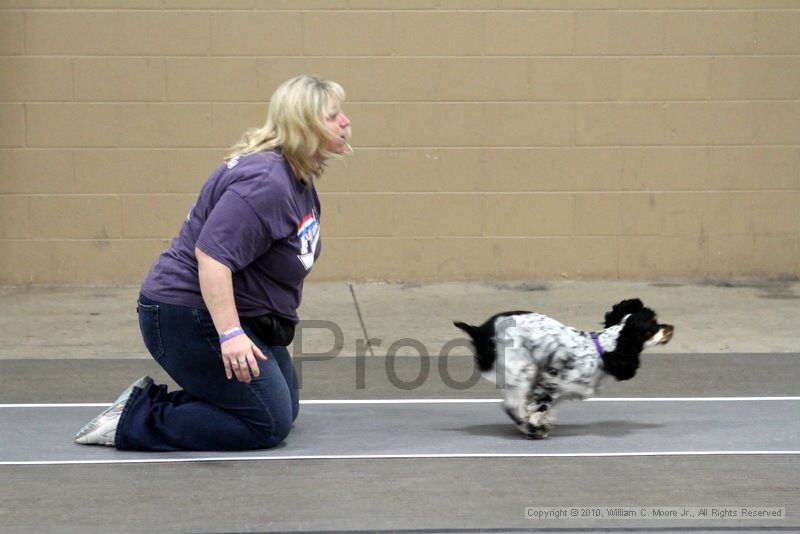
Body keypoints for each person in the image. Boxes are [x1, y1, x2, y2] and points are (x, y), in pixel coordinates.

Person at [74, 75, 351, 451]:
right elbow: (213, 258)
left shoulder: (293, 174)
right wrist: (230, 334)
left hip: (234, 311)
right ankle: (131, 421)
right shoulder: (267, 182)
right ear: (306, 126)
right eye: (334, 115)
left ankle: (150, 405)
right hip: (184, 313)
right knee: (267, 425)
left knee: (285, 406)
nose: (345, 122)